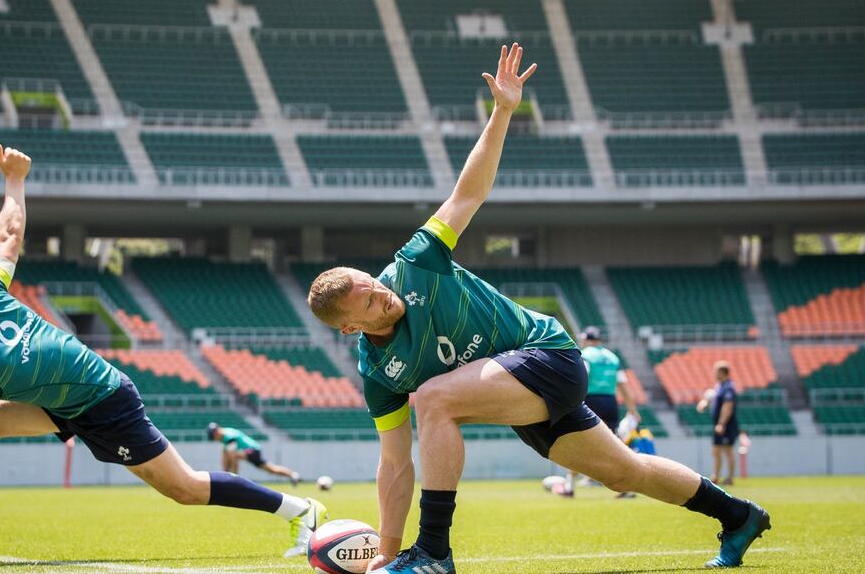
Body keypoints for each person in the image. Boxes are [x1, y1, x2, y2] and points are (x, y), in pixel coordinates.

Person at [306, 44, 770, 574]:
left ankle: (434, 552)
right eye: (369, 300)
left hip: (546, 355)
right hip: (516, 388)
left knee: (433, 399)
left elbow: (467, 195)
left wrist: (503, 111)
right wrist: (385, 554)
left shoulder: (414, 264)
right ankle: (739, 517)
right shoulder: (376, 371)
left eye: (373, 282)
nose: (382, 292)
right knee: (624, 473)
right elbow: (393, 463)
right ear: (350, 327)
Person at [0, 145, 325, 566]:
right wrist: (15, 181)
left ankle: (301, 510)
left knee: (185, 488)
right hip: (67, 398)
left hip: (102, 401)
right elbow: (9, 233)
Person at [560, 326, 640, 497]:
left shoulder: (585, 355)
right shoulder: (612, 357)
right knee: (614, 446)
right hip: (610, 402)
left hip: (590, 401)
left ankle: (570, 486)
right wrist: (632, 409)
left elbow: (582, 377)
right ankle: (626, 487)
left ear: (587, 339)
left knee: (577, 443)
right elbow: (623, 385)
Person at [207, 423, 301, 486]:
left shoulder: (228, 436)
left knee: (231, 454)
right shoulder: (225, 435)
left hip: (252, 450)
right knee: (271, 469)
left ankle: (234, 479)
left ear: (217, 431)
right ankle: (293, 475)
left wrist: (228, 475)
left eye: (214, 436)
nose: (214, 438)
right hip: (251, 451)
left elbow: (231, 454)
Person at [697, 361, 740, 485]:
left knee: (728, 450)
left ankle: (730, 478)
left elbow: (728, 406)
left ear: (723, 372)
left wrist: (722, 423)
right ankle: (715, 476)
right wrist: (705, 403)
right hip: (718, 424)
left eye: (716, 371)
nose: (714, 374)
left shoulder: (729, 387)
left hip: (727, 424)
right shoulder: (719, 386)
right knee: (716, 450)